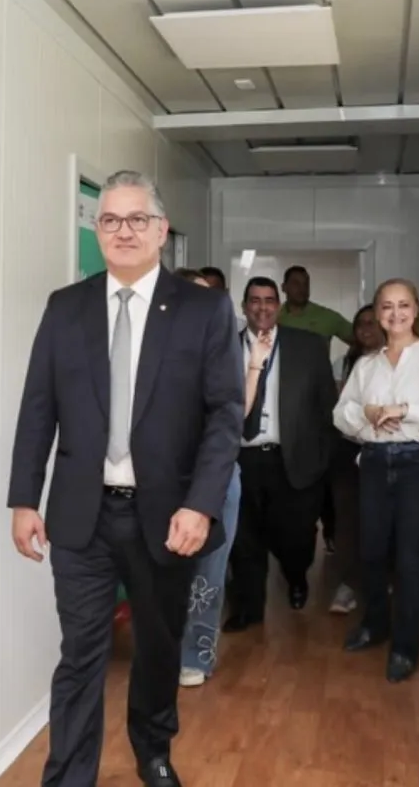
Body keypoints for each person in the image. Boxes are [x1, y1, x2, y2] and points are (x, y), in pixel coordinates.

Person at [7, 170, 242, 787]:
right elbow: (38, 408)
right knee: (80, 653)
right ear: (98, 230)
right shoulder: (66, 308)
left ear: (162, 230)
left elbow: (224, 415)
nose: (124, 231)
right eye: (110, 219)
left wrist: (202, 505)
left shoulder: (204, 309)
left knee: (158, 648)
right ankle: (68, 776)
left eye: (138, 219)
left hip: (167, 517)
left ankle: (153, 750)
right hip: (81, 516)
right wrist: (24, 499)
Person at [333, 278, 419, 683]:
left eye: (403, 305)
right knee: (371, 551)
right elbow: (341, 415)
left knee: (409, 558)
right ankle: (375, 624)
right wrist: (368, 414)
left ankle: (406, 648)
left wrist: (406, 410)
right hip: (373, 462)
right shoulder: (366, 365)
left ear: (416, 309)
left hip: (417, 466)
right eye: (387, 306)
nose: (395, 314)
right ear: (377, 313)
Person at [224, 277, 338, 631]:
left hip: (292, 459)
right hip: (240, 459)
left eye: (269, 300)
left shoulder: (308, 346)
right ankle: (249, 608)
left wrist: (321, 461)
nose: (262, 307)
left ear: (279, 305)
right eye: (255, 300)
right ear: (244, 306)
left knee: (295, 536)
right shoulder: (223, 347)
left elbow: (327, 408)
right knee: (244, 539)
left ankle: (297, 576)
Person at [172, 268, 269, 687]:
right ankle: (161, 651)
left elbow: (235, 414)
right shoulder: (149, 348)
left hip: (219, 477)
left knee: (208, 573)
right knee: (162, 570)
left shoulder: (221, 348)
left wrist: (254, 365)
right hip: (165, 477)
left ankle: (196, 656)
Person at [278, 265, 357, 553]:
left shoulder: (326, 317)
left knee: (322, 473)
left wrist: (349, 373)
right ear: (284, 287)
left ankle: (330, 531)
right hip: (284, 406)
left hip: (318, 406)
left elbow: (361, 338)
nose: (302, 288)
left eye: (306, 283)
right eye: (296, 283)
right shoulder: (276, 317)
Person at [328, 303, 385, 614]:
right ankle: (348, 584)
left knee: (382, 520)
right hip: (349, 450)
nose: (365, 329)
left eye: (372, 323)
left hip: (384, 451)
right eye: (360, 323)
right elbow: (341, 409)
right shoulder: (344, 364)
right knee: (348, 520)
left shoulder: (397, 364)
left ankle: (383, 582)